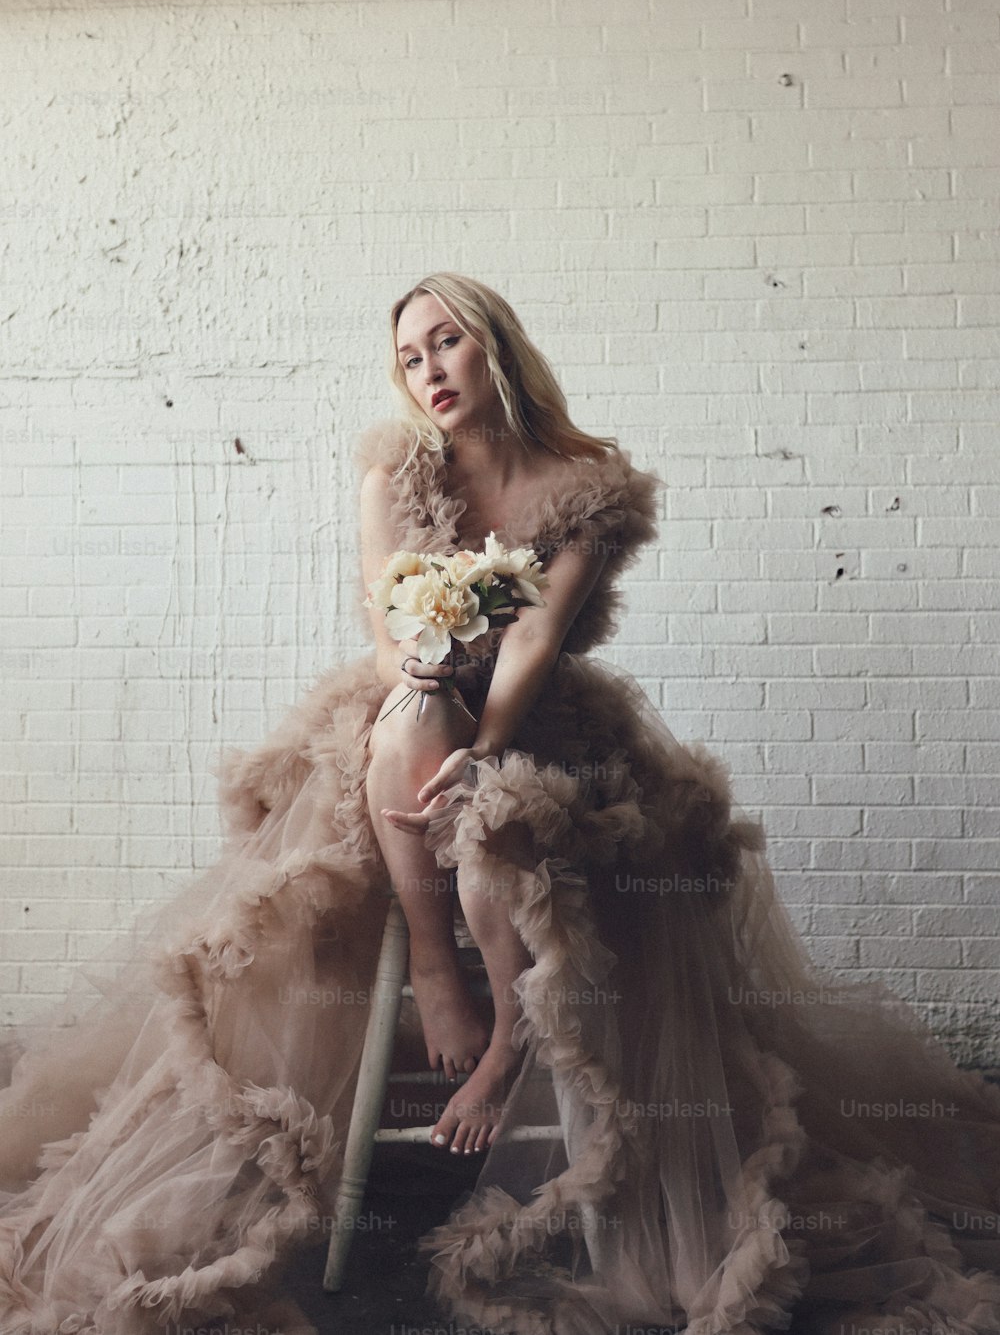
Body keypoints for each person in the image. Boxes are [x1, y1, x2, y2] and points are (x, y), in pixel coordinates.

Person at [2, 273, 1000, 1335]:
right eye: (411, 356)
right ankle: (439, 972)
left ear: (494, 347)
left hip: (539, 722)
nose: (429, 371)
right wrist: (428, 680)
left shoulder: (585, 485)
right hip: (404, 705)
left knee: (492, 806)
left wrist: (485, 748)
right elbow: (390, 624)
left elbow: (533, 635)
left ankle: (508, 1048)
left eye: (447, 344)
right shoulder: (396, 472)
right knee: (413, 722)